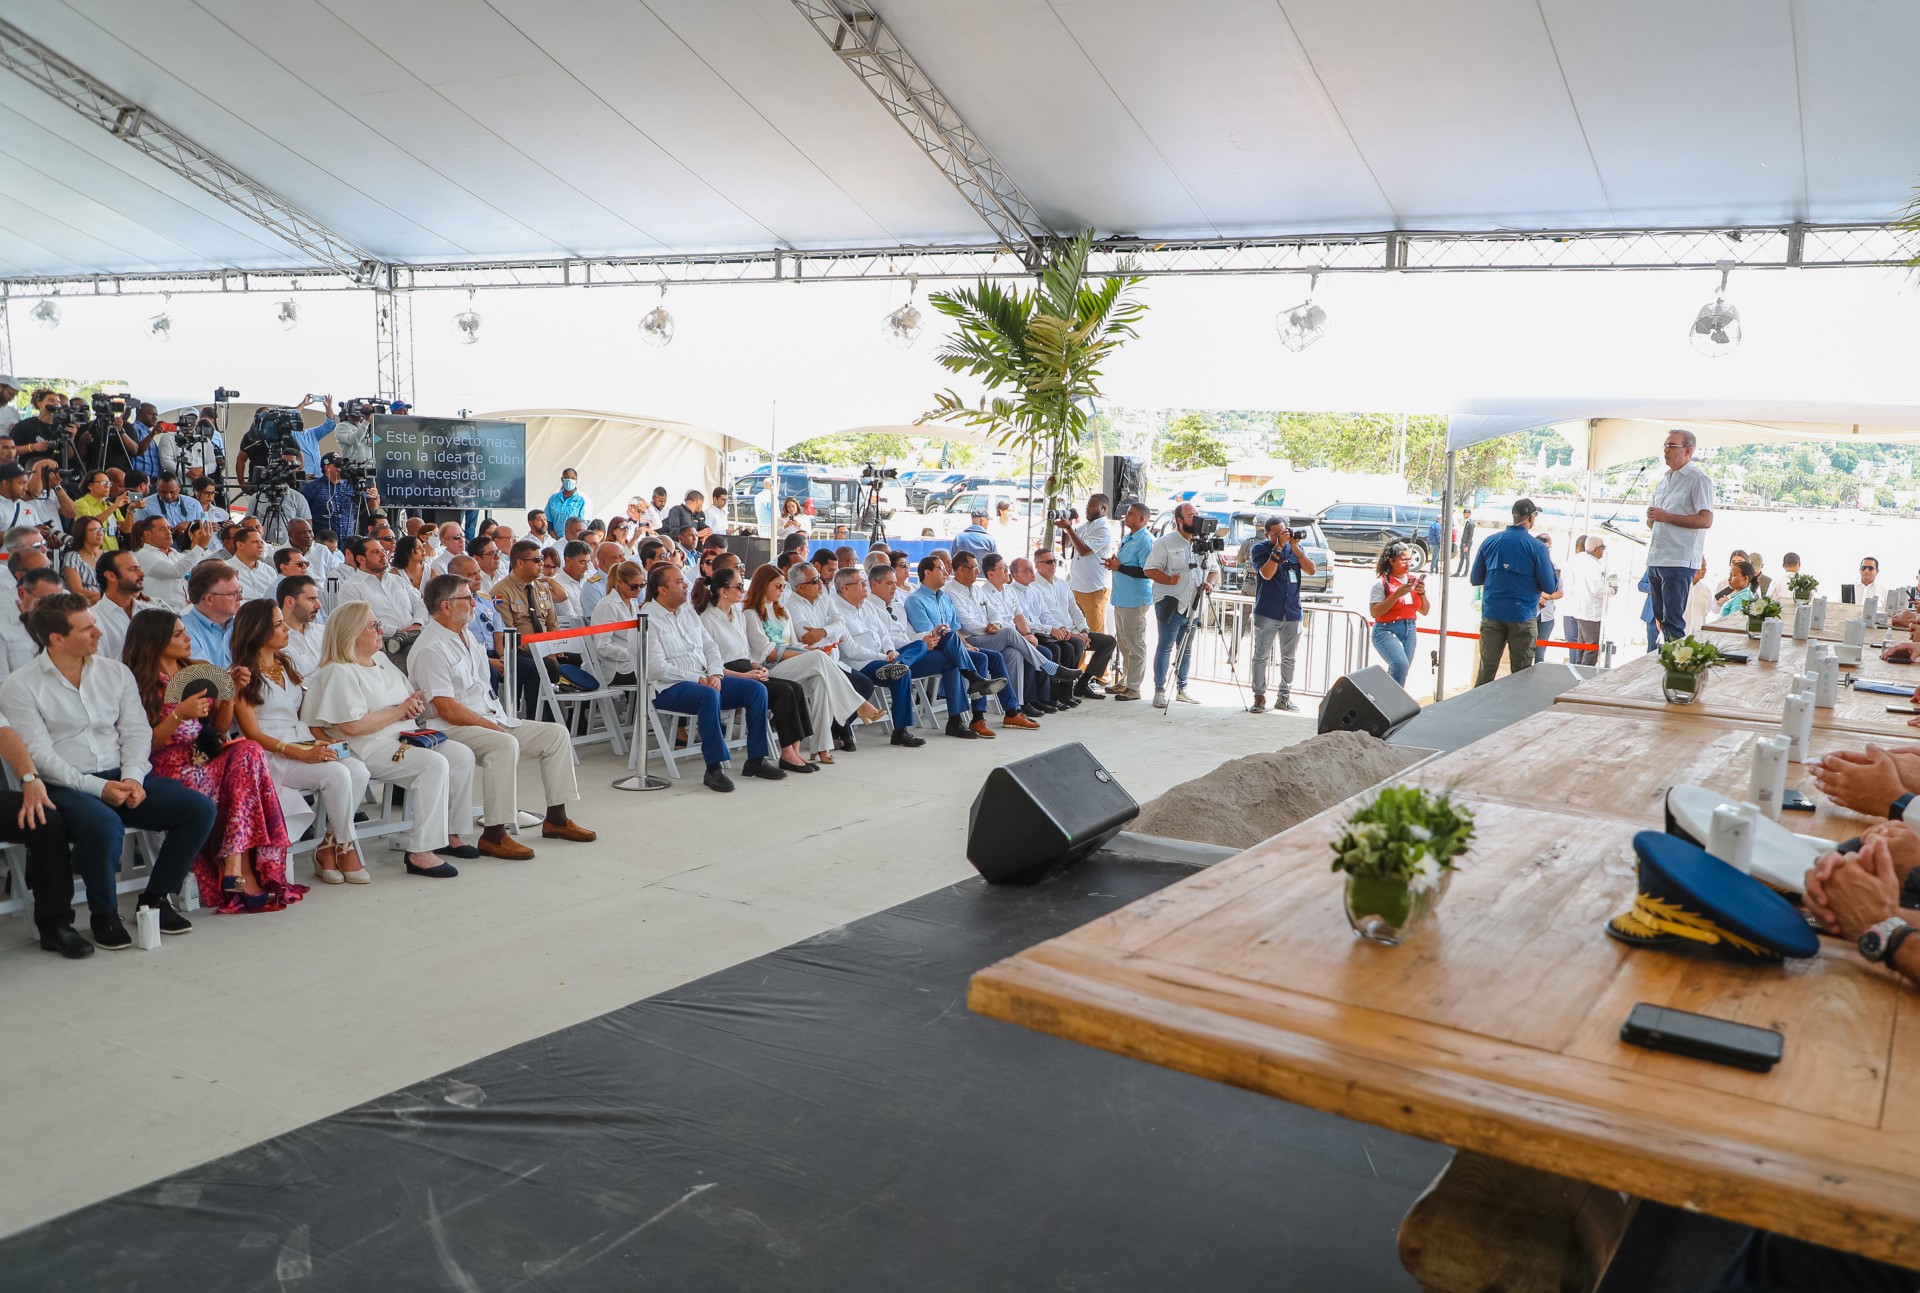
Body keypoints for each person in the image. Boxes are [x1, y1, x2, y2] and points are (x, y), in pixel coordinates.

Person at [0, 595, 217, 947]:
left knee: (198, 808)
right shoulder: (21, 685)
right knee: (104, 826)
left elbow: (136, 732)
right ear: (57, 638)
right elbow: (38, 755)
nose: (99, 632)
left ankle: (155, 899)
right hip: (66, 785)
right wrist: (98, 788)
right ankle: (104, 915)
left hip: (123, 773)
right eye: (87, 628)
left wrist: (132, 777)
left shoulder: (116, 672)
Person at [122, 609, 299, 913]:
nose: (187, 638)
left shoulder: (198, 669)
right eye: (178, 634)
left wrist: (230, 695)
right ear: (156, 641)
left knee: (249, 750)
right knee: (243, 773)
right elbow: (143, 746)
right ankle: (241, 871)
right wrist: (179, 714)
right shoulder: (138, 683)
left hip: (205, 756)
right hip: (167, 767)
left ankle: (234, 862)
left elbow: (218, 728)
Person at [410, 573, 594, 858]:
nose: (475, 602)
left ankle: (556, 820)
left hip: (487, 719)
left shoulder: (465, 635)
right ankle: (495, 834)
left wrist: (495, 722)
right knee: (503, 744)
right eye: (467, 598)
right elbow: (446, 708)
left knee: (556, 734)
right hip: (448, 728)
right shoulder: (430, 648)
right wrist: (491, 725)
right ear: (446, 606)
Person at [301, 601, 477, 877]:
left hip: (404, 735)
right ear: (352, 633)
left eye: (379, 624)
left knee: (461, 755)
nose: (382, 631)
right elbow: (353, 726)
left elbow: (404, 700)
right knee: (433, 765)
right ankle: (421, 851)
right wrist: (399, 711)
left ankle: (450, 833)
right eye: (374, 626)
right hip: (367, 745)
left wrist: (412, 705)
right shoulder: (339, 670)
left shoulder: (381, 660)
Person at [230, 599, 369, 884]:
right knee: (337, 774)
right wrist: (299, 753)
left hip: (300, 740)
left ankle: (329, 845)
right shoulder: (242, 674)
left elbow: (303, 711)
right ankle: (346, 847)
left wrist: (321, 740)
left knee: (358, 770)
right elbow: (252, 733)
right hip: (270, 754)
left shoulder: (284, 663)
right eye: (278, 624)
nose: (286, 629)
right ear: (258, 630)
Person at [644, 563, 780, 793]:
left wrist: (715, 673)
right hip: (668, 687)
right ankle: (714, 768)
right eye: (679, 581)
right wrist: (698, 679)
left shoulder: (688, 611)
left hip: (705, 679)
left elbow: (710, 647)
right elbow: (656, 668)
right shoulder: (647, 618)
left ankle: (756, 759)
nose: (685, 585)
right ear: (662, 590)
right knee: (708, 695)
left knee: (756, 689)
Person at [745, 565, 883, 762]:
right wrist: (809, 652)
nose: (782, 590)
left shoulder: (782, 610)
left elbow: (795, 642)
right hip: (768, 669)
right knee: (819, 657)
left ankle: (821, 747)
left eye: (783, 586)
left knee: (821, 683)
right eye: (778, 586)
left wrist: (808, 650)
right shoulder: (751, 614)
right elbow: (768, 652)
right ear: (763, 586)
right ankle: (860, 704)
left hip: (791, 662)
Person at [700, 567, 815, 772]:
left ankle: (794, 751)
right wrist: (744, 675)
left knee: (795, 688)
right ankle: (782, 754)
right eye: (738, 586)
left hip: (747, 669)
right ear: (723, 591)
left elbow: (745, 653)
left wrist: (757, 668)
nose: (742, 590)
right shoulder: (706, 619)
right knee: (783, 691)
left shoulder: (738, 615)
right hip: (725, 675)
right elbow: (709, 664)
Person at [903, 554, 1009, 740]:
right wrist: (959, 645)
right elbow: (929, 634)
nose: (946, 572)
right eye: (941, 569)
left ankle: (979, 717)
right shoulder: (915, 600)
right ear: (927, 573)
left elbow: (956, 629)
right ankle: (962, 704)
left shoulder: (944, 598)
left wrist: (965, 645)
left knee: (984, 657)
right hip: (928, 649)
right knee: (950, 646)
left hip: (952, 647)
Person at [828, 566, 928, 747]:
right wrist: (883, 657)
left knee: (920, 645)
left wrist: (890, 652)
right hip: (861, 664)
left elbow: (884, 634)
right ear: (846, 588)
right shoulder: (836, 610)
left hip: (886, 660)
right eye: (860, 583)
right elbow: (850, 650)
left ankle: (900, 664)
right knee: (902, 673)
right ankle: (900, 730)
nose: (865, 585)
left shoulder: (867, 605)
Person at [949, 552, 1049, 724]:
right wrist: (990, 628)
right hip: (971, 639)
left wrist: (996, 624)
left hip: (990, 636)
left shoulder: (975, 590)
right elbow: (968, 625)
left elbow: (994, 613)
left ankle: (1015, 709)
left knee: (1014, 654)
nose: (977, 571)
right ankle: (1048, 666)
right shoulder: (950, 592)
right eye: (974, 567)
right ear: (961, 569)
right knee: (1009, 632)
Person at [1469, 498, 1559, 687]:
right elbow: (1550, 586)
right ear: (1530, 518)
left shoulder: (1490, 541)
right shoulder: (1537, 547)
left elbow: (1476, 579)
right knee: (1521, 674)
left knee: (1486, 670)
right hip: (1522, 616)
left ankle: (1478, 705)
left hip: (1492, 614)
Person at [1645, 429, 1716, 646]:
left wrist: (1665, 517)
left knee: (1673, 622)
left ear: (1687, 451)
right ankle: (1665, 657)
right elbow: (1658, 520)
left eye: (1672, 446)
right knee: (1659, 619)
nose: (1666, 450)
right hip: (1656, 557)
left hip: (1678, 560)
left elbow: (1705, 520)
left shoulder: (1698, 480)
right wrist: (1653, 520)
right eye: (1665, 446)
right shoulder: (1664, 480)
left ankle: (1676, 662)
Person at [1144, 503, 1215, 708]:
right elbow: (1149, 570)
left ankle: (1182, 689)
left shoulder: (1204, 543)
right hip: (1171, 603)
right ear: (1180, 520)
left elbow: (1214, 571)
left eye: (1197, 515)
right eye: (1191, 516)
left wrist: (1210, 584)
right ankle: (1159, 691)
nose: (1197, 519)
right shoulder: (1164, 543)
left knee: (1186, 649)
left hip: (1194, 605)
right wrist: (1168, 579)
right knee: (1165, 647)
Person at [1248, 516, 1315, 712]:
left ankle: (1284, 697)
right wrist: (1278, 547)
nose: (1282, 536)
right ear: (1267, 534)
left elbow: (1311, 570)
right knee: (1261, 656)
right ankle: (1259, 696)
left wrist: (1295, 548)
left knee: (1289, 658)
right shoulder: (1259, 549)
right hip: (1267, 611)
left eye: (1283, 531)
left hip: (1292, 612)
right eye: (1276, 533)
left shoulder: (1295, 549)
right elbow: (1266, 574)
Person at [1034, 546, 1114, 698]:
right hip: (1053, 633)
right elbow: (1045, 617)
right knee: (1076, 644)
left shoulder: (1063, 584)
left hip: (1074, 631)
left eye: (1054, 561)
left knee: (1108, 642)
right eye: (1049, 562)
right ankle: (1065, 693)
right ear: (1037, 565)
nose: (1053, 565)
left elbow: (1075, 610)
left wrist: (1084, 630)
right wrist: (1075, 635)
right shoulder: (1034, 586)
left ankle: (1082, 684)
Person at [335, 535, 428, 643]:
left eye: (383, 551)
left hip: (414, 636)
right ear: (361, 559)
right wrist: (396, 632)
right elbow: (357, 622)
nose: (383, 555)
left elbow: (419, 604)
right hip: (381, 643)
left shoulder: (397, 580)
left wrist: (417, 624)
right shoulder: (351, 587)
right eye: (376, 552)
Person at [1059, 493, 1118, 660]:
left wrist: (1070, 528)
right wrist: (1068, 526)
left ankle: (1097, 671)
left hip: (1094, 588)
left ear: (1103, 508)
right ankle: (1080, 666)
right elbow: (1068, 544)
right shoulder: (1086, 526)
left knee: (1095, 632)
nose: (1087, 509)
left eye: (1092, 506)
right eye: (1087, 505)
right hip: (1077, 585)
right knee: (1079, 630)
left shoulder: (1103, 529)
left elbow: (1084, 550)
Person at [1106, 500, 1153, 702]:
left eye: (1131, 514)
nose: (1127, 517)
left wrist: (1120, 568)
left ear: (1142, 519)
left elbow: (1146, 571)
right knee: (1124, 643)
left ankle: (1134, 687)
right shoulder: (1128, 537)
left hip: (1134, 599)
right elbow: (1123, 565)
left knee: (1135, 644)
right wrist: (1114, 565)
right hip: (1121, 597)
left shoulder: (1145, 541)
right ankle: (1125, 681)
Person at [131, 513, 209, 613]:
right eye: (163, 529)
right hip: (160, 614)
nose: (168, 532)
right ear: (148, 535)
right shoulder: (143, 554)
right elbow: (176, 572)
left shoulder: (176, 554)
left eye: (169, 528)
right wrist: (200, 547)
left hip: (184, 611)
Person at [587, 560, 644, 683]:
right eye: (634, 586)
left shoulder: (632, 605)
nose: (639, 590)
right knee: (661, 675)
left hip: (633, 663)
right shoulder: (608, 605)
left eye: (642, 585)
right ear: (620, 582)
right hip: (617, 668)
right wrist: (633, 655)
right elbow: (602, 647)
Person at [181, 562, 243, 667]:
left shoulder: (244, 622)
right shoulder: (184, 632)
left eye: (240, 591)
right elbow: (207, 674)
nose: (241, 598)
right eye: (234, 594)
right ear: (209, 599)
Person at [91, 550, 145, 662]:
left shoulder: (150, 611)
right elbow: (98, 665)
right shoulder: (93, 619)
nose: (141, 574)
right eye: (133, 569)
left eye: (139, 568)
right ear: (111, 575)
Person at [1561, 537, 1606, 665]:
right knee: (1590, 647)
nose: (1603, 551)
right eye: (1603, 548)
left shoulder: (1576, 561)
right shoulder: (1592, 564)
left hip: (1577, 609)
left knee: (1580, 646)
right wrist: (1612, 589)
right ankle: (1584, 673)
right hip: (1589, 611)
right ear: (1597, 549)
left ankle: (1577, 670)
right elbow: (1597, 589)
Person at [70, 470, 130, 551]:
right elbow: (91, 526)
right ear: (90, 486)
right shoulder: (80, 504)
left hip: (112, 553)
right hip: (93, 553)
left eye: (109, 483)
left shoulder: (109, 505)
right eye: (103, 483)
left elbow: (126, 529)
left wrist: (131, 510)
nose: (107, 486)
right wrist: (114, 506)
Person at [60, 516, 109, 605]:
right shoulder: (72, 557)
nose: (100, 533)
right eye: (95, 530)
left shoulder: (109, 556)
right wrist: (105, 597)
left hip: (111, 604)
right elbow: (77, 590)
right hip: (85, 605)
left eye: (102, 529)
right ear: (82, 533)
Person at [1532, 532, 1562, 666]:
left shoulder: (1554, 567)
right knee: (1526, 651)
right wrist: (1540, 596)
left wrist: (1548, 596)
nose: (1547, 551)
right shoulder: (1528, 565)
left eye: (1548, 548)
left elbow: (1560, 592)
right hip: (1529, 613)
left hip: (1547, 615)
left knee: (1540, 653)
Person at [1453, 509, 1475, 576]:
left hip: (1467, 543)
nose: (1464, 515)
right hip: (1463, 542)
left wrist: (1467, 546)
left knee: (1467, 558)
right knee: (1461, 558)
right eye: (1464, 514)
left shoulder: (1471, 523)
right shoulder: (1466, 522)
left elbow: (1470, 536)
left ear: (1469, 514)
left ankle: (1466, 572)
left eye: (1466, 514)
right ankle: (1458, 572)